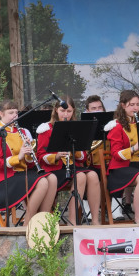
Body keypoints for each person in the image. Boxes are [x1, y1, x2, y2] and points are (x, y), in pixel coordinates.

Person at [0, 100, 57, 220]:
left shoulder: (24, 132)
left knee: (52, 179)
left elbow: (31, 164)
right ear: (1, 114)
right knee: (42, 182)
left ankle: (43, 220)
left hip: (22, 174)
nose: (15, 116)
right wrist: (18, 157)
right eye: (11, 113)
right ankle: (28, 222)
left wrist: (28, 155)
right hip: (4, 179)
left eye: (16, 113)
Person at [36, 96, 102, 224]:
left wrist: (74, 150)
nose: (66, 114)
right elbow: (40, 156)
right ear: (56, 110)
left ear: (73, 112)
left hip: (73, 167)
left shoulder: (77, 128)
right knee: (81, 176)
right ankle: (73, 220)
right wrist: (56, 156)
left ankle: (95, 220)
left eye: (69, 111)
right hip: (54, 170)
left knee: (93, 175)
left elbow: (83, 156)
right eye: (62, 111)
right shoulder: (46, 129)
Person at [106, 90, 139, 224]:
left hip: (137, 165)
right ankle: (138, 217)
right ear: (123, 105)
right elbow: (116, 154)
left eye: (137, 104)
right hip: (120, 168)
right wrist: (135, 147)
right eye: (131, 105)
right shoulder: (116, 126)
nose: (135, 108)